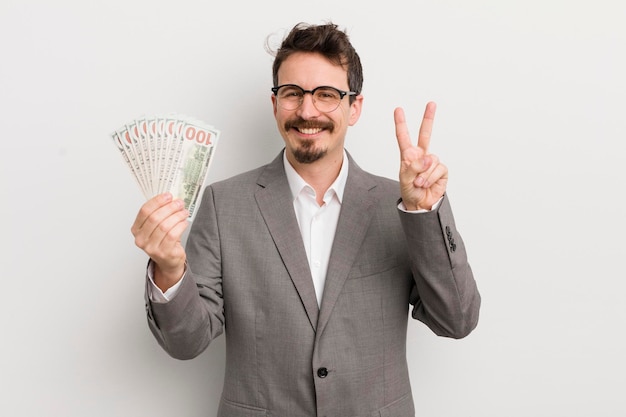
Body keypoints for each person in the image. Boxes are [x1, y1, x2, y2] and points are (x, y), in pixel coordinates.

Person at [131, 21, 480, 417]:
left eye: (327, 95)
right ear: (275, 103)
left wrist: (425, 213)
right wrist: (170, 270)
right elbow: (186, 343)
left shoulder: (397, 205)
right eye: (293, 93)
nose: (307, 110)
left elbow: (458, 320)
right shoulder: (223, 204)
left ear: (355, 107)